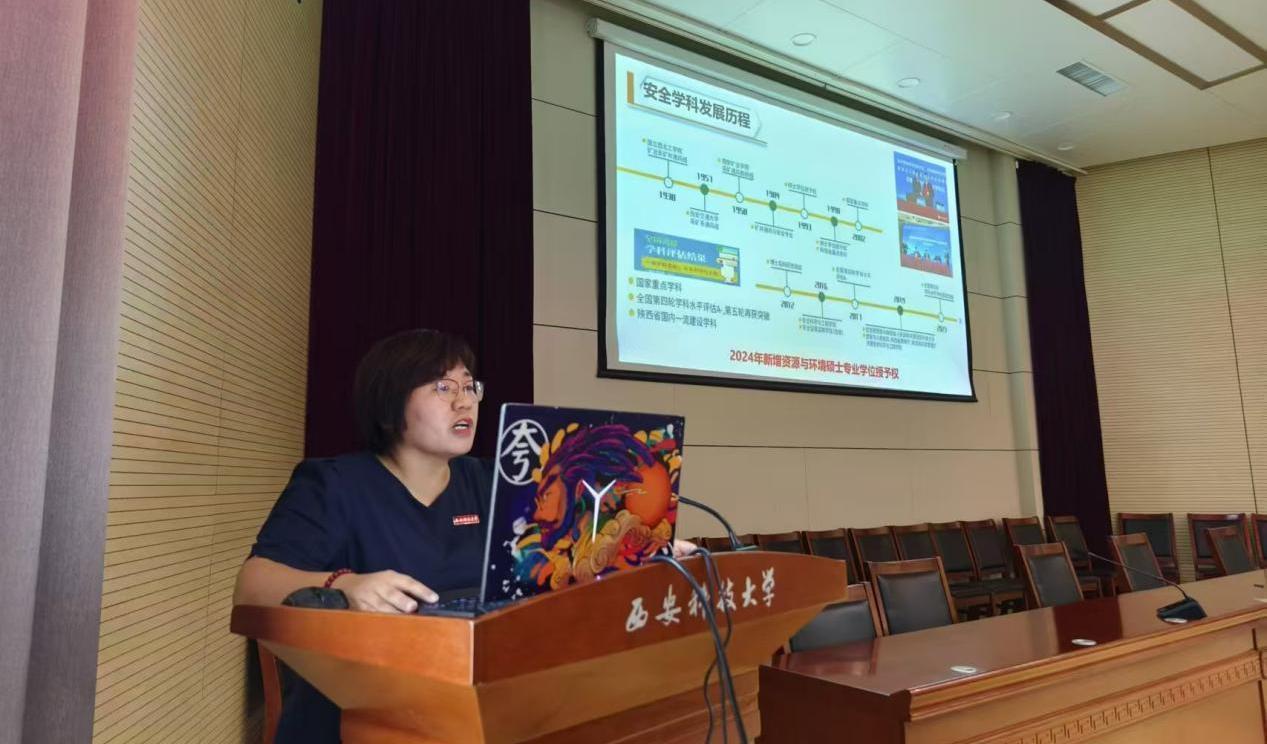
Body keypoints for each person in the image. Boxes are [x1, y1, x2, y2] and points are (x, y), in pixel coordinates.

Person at [234, 329, 694, 742]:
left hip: (483, 705)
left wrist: (638, 551)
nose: (465, 402)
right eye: (443, 387)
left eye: (470, 387)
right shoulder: (334, 484)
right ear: (390, 404)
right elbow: (251, 585)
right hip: (361, 709)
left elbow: (561, 557)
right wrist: (345, 585)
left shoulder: (492, 483)